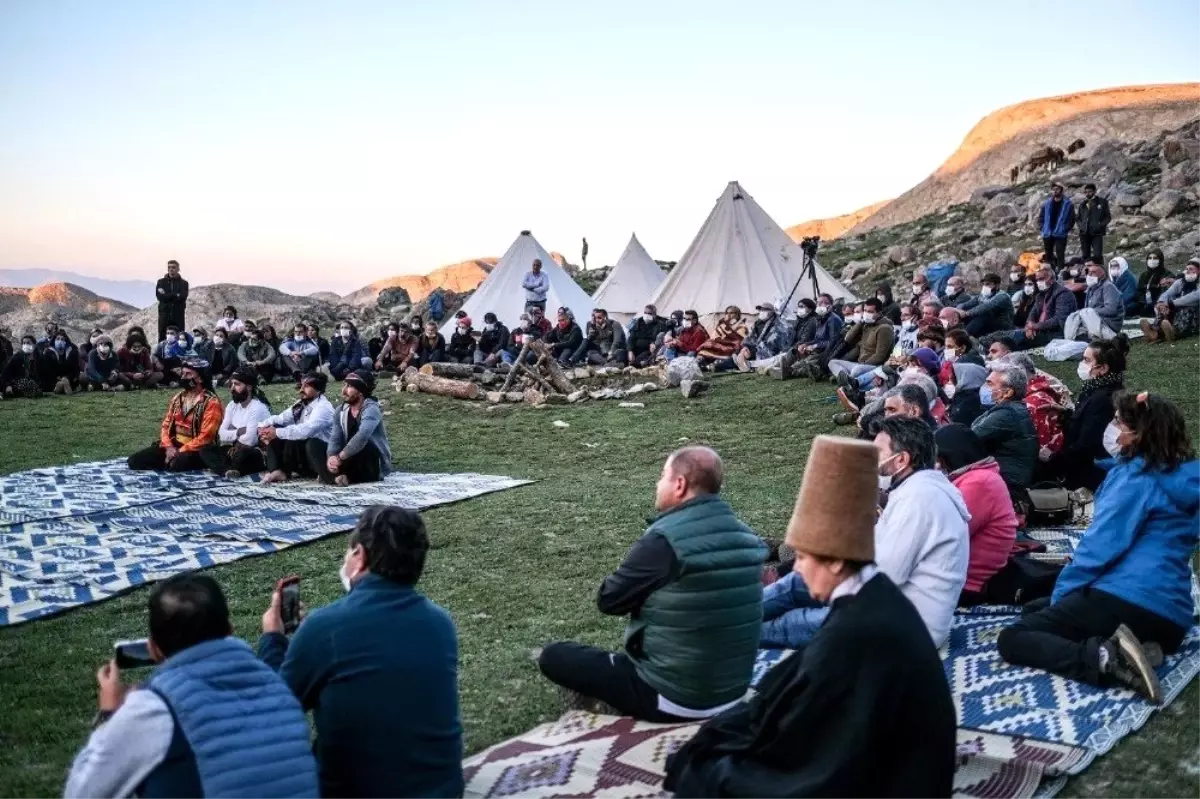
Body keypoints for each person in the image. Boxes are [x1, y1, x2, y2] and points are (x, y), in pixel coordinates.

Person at [665, 435, 956, 798]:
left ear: (835, 559)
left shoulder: (856, 630)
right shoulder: (871, 596)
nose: (796, 570)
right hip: (900, 767)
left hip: (894, 782)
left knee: (708, 774)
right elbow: (793, 687)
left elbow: (816, 747)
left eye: (803, 557)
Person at [537, 447, 768, 722]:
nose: (657, 485)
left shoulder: (664, 541)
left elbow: (609, 600)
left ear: (679, 485)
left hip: (675, 697)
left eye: (662, 476)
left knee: (555, 656)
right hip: (732, 692)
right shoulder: (747, 537)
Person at [998, 392, 1199, 704]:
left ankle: (1105, 658)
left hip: (1129, 599)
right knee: (1036, 608)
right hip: (1172, 616)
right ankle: (1139, 645)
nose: (1111, 427)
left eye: (1118, 421)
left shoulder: (1135, 479)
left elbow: (1099, 550)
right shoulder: (1184, 477)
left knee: (1014, 637)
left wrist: (1063, 594)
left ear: (1139, 433)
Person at [259, 506, 463, 798]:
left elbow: (270, 711)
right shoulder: (440, 622)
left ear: (360, 556)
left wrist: (273, 639)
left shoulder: (325, 629)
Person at [64, 573, 319, 799]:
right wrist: (273, 638)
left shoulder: (154, 708)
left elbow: (83, 792)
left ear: (154, 648)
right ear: (230, 630)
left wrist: (109, 715)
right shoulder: (278, 687)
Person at [761, 418, 968, 650]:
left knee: (788, 623)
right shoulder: (915, 491)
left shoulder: (920, 499)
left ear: (901, 460)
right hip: (890, 609)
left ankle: (724, 631)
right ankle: (727, 619)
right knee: (797, 584)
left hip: (904, 628)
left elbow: (887, 575)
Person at [934, 425, 1018, 605]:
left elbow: (942, 535)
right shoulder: (978, 476)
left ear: (952, 455)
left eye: (939, 459)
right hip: (961, 577)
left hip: (967, 584)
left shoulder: (979, 482)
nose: (937, 465)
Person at [1040, 337, 1128, 491]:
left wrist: (1052, 462)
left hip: (1090, 471)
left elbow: (1086, 445)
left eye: (1087, 360)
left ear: (1103, 368)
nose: (1082, 364)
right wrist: (1067, 413)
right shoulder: (1099, 388)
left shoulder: (1102, 399)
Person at [128, 359, 224, 472]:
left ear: (200, 378)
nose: (183, 377)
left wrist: (180, 451)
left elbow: (206, 437)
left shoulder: (211, 403)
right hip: (174, 444)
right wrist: (169, 447)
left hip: (196, 449)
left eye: (188, 374)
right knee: (134, 461)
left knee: (175, 464)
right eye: (183, 373)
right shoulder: (178, 398)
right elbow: (166, 425)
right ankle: (168, 460)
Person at [972, 364, 1038, 494]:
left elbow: (971, 437)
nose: (985, 388)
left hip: (1007, 484)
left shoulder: (1008, 414)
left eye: (990, 384)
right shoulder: (1010, 408)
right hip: (1006, 479)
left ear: (1007, 392)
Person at [319, 370, 392, 486]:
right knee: (314, 444)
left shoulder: (371, 409)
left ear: (361, 391)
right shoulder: (341, 410)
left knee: (365, 445)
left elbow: (362, 437)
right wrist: (331, 457)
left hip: (369, 460)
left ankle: (337, 476)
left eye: (349, 386)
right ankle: (337, 476)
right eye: (344, 385)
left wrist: (339, 458)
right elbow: (335, 438)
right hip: (345, 457)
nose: (344, 390)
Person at [260, 373, 336, 484]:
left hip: (320, 454)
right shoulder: (301, 405)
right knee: (277, 430)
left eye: (306, 386)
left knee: (293, 437)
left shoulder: (323, 407)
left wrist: (277, 432)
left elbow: (306, 431)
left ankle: (322, 474)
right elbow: (281, 418)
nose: (301, 389)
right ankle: (277, 471)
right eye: (301, 385)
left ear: (318, 389)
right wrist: (263, 427)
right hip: (303, 452)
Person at [199, 367, 271, 477]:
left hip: (256, 452)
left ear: (249, 387)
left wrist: (232, 431)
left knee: (243, 453)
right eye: (231, 384)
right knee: (205, 449)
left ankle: (229, 467)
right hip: (235, 449)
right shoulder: (232, 405)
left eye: (237, 384)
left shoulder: (258, 408)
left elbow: (249, 441)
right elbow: (221, 434)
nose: (232, 388)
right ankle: (228, 470)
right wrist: (238, 432)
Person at [826, 298, 895, 380]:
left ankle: (846, 378)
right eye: (865, 311)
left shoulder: (885, 328)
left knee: (857, 370)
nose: (866, 314)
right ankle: (847, 378)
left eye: (870, 312)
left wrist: (863, 364)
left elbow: (879, 356)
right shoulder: (867, 325)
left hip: (873, 366)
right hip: (859, 364)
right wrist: (861, 322)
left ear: (879, 313)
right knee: (832, 362)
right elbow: (847, 338)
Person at [1062, 260, 1124, 341]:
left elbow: (1111, 310)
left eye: (1093, 273)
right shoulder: (1091, 288)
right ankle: (1072, 339)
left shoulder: (1108, 287)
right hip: (1094, 321)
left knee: (1086, 312)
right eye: (1088, 273)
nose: (1089, 275)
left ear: (1102, 275)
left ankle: (1108, 337)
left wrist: (1090, 312)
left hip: (1109, 323)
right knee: (1073, 317)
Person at [1143, 257, 1200, 343]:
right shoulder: (1181, 282)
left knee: (1187, 309)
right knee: (1163, 308)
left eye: (1191, 269)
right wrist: (1161, 302)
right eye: (1187, 269)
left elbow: (1193, 297)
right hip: (1175, 308)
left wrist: (1171, 303)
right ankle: (1155, 332)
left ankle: (1174, 333)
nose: (1188, 271)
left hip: (1194, 314)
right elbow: (1168, 293)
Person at [1039, 183, 1075, 268]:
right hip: (1048, 232)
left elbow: (1072, 219)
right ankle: (1049, 272)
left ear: (1061, 190)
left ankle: (1060, 272)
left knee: (1060, 254)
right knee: (1048, 255)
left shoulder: (1068, 204)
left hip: (1060, 233)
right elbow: (1041, 216)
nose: (1055, 191)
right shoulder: (1047, 203)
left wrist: (1066, 229)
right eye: (1053, 189)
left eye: (1057, 189)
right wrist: (1042, 227)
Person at [155, 259, 189, 343]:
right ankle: (161, 355)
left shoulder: (184, 283)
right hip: (164, 316)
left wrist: (167, 295)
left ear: (178, 269)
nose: (171, 269)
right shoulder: (161, 282)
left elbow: (182, 297)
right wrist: (175, 295)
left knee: (179, 337)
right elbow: (160, 297)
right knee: (162, 338)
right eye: (169, 267)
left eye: (173, 267)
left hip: (178, 316)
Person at [1076, 183, 1111, 262]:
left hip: (1097, 233)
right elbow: (1078, 218)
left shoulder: (1102, 202)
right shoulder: (1083, 204)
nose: (1088, 194)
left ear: (1094, 191)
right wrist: (1081, 226)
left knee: (1098, 255)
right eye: (1086, 192)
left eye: (1090, 192)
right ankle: (1086, 272)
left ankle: (1100, 271)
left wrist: (1100, 225)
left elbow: (1108, 217)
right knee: (1085, 255)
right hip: (1084, 233)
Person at [946, 362, 988, 426]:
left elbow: (957, 419)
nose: (950, 376)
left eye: (955, 374)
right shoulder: (965, 393)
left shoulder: (970, 399)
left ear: (965, 376)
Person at [1136, 248, 1173, 317]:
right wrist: (1144, 302)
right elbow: (1139, 291)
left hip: (1160, 305)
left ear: (1160, 260)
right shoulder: (1144, 275)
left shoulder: (1167, 274)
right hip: (1145, 306)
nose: (1152, 260)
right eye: (1150, 258)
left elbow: (1166, 293)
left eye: (1155, 258)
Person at [43, 329, 82, 394]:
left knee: (71, 379)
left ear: (66, 342)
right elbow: (47, 369)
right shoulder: (48, 352)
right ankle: (60, 385)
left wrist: (70, 377)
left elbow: (75, 368)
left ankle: (62, 384)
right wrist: (57, 377)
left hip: (69, 377)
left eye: (62, 339)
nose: (60, 341)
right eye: (58, 339)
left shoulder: (72, 352)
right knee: (55, 382)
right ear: (54, 341)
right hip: (53, 377)